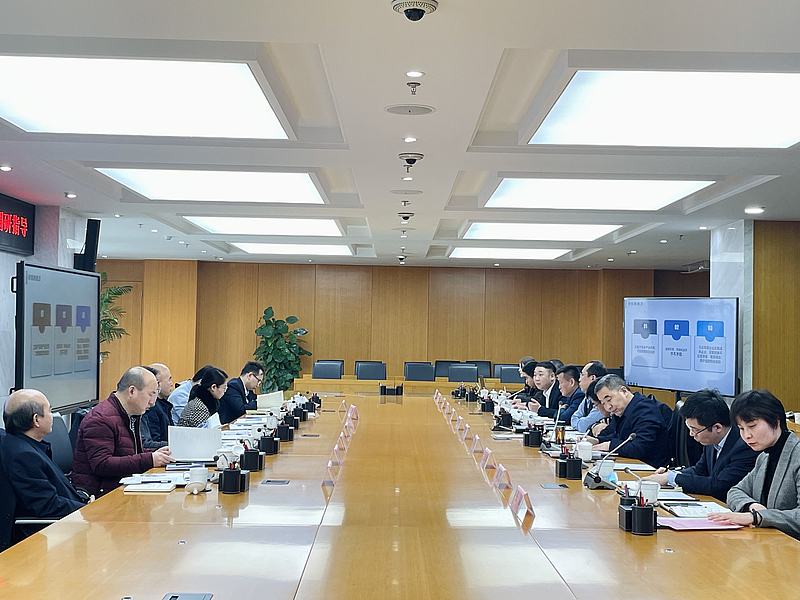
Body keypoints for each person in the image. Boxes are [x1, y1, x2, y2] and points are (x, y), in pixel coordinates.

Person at [708, 390, 800, 539]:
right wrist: (751, 506)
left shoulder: (796, 456)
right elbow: (735, 491)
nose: (746, 435)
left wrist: (756, 517)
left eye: (752, 426)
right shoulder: (764, 457)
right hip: (768, 542)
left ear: (776, 421)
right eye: (741, 428)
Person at [71, 367, 174, 497]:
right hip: (101, 495)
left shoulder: (129, 414)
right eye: (151, 394)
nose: (153, 402)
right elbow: (102, 464)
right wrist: (149, 459)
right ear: (132, 391)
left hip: (121, 487)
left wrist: (156, 454)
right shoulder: (101, 419)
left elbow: (128, 453)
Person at [1, 390, 91, 535]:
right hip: (50, 532)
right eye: (49, 410)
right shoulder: (25, 456)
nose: (52, 415)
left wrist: (83, 499)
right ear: (36, 420)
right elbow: (47, 505)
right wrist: (87, 509)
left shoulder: (25, 445)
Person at [643, 389, 758, 501]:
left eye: (695, 430)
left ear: (717, 427)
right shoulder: (711, 439)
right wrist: (671, 474)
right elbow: (700, 470)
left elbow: (719, 486)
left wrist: (672, 478)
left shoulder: (744, 446)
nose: (691, 434)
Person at [586, 374, 671, 467]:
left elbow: (640, 448)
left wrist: (609, 445)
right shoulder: (622, 411)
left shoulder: (645, 410)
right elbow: (619, 436)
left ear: (624, 391)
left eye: (609, 400)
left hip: (652, 468)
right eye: (603, 403)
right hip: (633, 463)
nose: (608, 407)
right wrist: (598, 441)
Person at [571, 361, 609, 432]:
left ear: (592, 377)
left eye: (582, 375)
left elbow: (584, 426)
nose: (579, 379)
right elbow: (574, 417)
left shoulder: (601, 396)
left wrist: (581, 422)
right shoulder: (587, 396)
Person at [143, 363, 174, 445]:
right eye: (169, 379)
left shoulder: (163, 405)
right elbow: (153, 441)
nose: (171, 384)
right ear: (158, 383)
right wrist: (175, 445)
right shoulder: (150, 407)